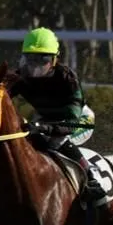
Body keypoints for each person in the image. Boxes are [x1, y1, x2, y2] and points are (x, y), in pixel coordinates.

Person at [11, 26, 106, 204]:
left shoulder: (67, 78)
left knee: (56, 141)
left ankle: (91, 181)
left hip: (79, 121)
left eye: (43, 60)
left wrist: (44, 127)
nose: (35, 67)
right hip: (46, 119)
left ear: (55, 59)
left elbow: (71, 122)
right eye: (31, 59)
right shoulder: (20, 77)